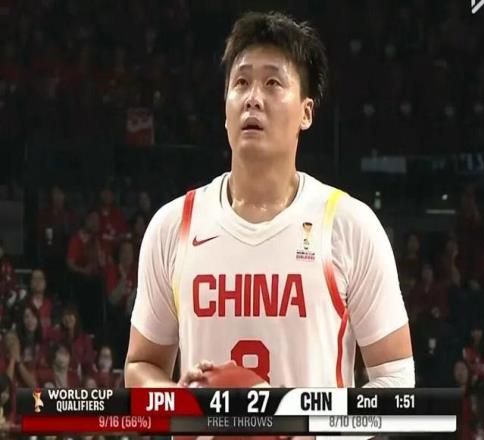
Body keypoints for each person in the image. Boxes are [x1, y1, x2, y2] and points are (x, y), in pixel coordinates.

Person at [125, 11, 414, 390]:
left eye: (273, 83)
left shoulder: (348, 225)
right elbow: (141, 365)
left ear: (306, 112)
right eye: (241, 82)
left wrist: (306, 421)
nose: (253, 99)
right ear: (225, 109)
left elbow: (396, 376)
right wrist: (180, 403)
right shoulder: (173, 226)